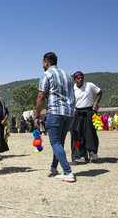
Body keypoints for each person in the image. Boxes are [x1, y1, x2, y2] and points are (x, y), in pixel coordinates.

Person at [34, 52, 75, 182]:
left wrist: (37, 115)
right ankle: (53, 168)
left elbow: (41, 96)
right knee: (60, 142)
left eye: (42, 62)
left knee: (55, 142)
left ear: (46, 62)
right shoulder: (67, 75)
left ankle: (68, 172)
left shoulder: (47, 74)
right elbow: (72, 96)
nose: (42, 65)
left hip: (55, 112)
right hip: (68, 113)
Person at [71, 71, 102, 163]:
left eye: (82, 77)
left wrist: (96, 103)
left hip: (88, 112)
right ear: (74, 79)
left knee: (90, 134)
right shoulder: (73, 88)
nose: (80, 79)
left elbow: (99, 92)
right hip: (78, 112)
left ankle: (93, 155)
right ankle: (80, 156)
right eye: (78, 78)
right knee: (77, 134)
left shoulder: (89, 85)